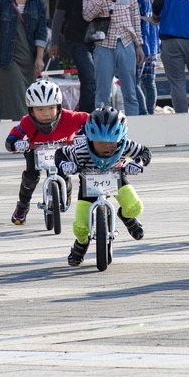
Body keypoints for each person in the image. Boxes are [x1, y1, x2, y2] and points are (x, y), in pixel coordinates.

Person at [55, 106, 151, 266]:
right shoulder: (81, 150)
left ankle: (127, 217)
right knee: (80, 228)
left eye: (112, 144)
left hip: (118, 178)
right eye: (100, 143)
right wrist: (65, 164)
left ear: (121, 139)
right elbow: (61, 153)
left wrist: (138, 162)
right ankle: (81, 244)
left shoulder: (126, 146)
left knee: (135, 207)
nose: (106, 148)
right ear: (90, 139)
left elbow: (145, 151)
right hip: (88, 185)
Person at [3, 78, 89, 225]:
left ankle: (66, 190)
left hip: (63, 149)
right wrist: (16, 143)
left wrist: (82, 135)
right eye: (40, 109)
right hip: (36, 150)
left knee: (65, 172)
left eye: (51, 108)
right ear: (31, 110)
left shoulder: (69, 117)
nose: (46, 114)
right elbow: (11, 137)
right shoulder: (27, 122)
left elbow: (92, 120)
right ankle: (23, 205)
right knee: (30, 177)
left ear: (58, 106)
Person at [82, 0, 144, 113]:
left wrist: (138, 44)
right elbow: (87, 15)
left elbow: (135, 16)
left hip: (126, 42)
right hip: (103, 44)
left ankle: (134, 129)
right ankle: (102, 131)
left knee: (130, 91)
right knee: (102, 93)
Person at [48, 0, 96, 112]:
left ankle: (98, 109)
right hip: (76, 39)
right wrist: (54, 42)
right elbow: (58, 17)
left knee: (100, 77)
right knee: (89, 77)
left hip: (99, 39)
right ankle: (86, 114)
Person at [129, 0, 160, 115]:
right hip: (154, 46)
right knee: (150, 82)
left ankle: (143, 112)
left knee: (134, 82)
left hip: (140, 45)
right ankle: (151, 112)